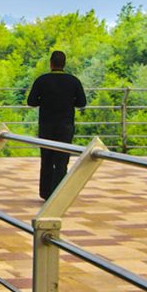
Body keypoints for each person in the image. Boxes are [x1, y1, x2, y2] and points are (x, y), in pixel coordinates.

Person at [27, 51, 87, 199]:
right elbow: (82, 103)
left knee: (46, 159)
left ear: (51, 63)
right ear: (64, 64)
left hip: (46, 124)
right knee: (62, 160)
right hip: (65, 125)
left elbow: (31, 102)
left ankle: (45, 192)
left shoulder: (42, 80)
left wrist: (45, 101)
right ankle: (59, 192)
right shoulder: (73, 81)